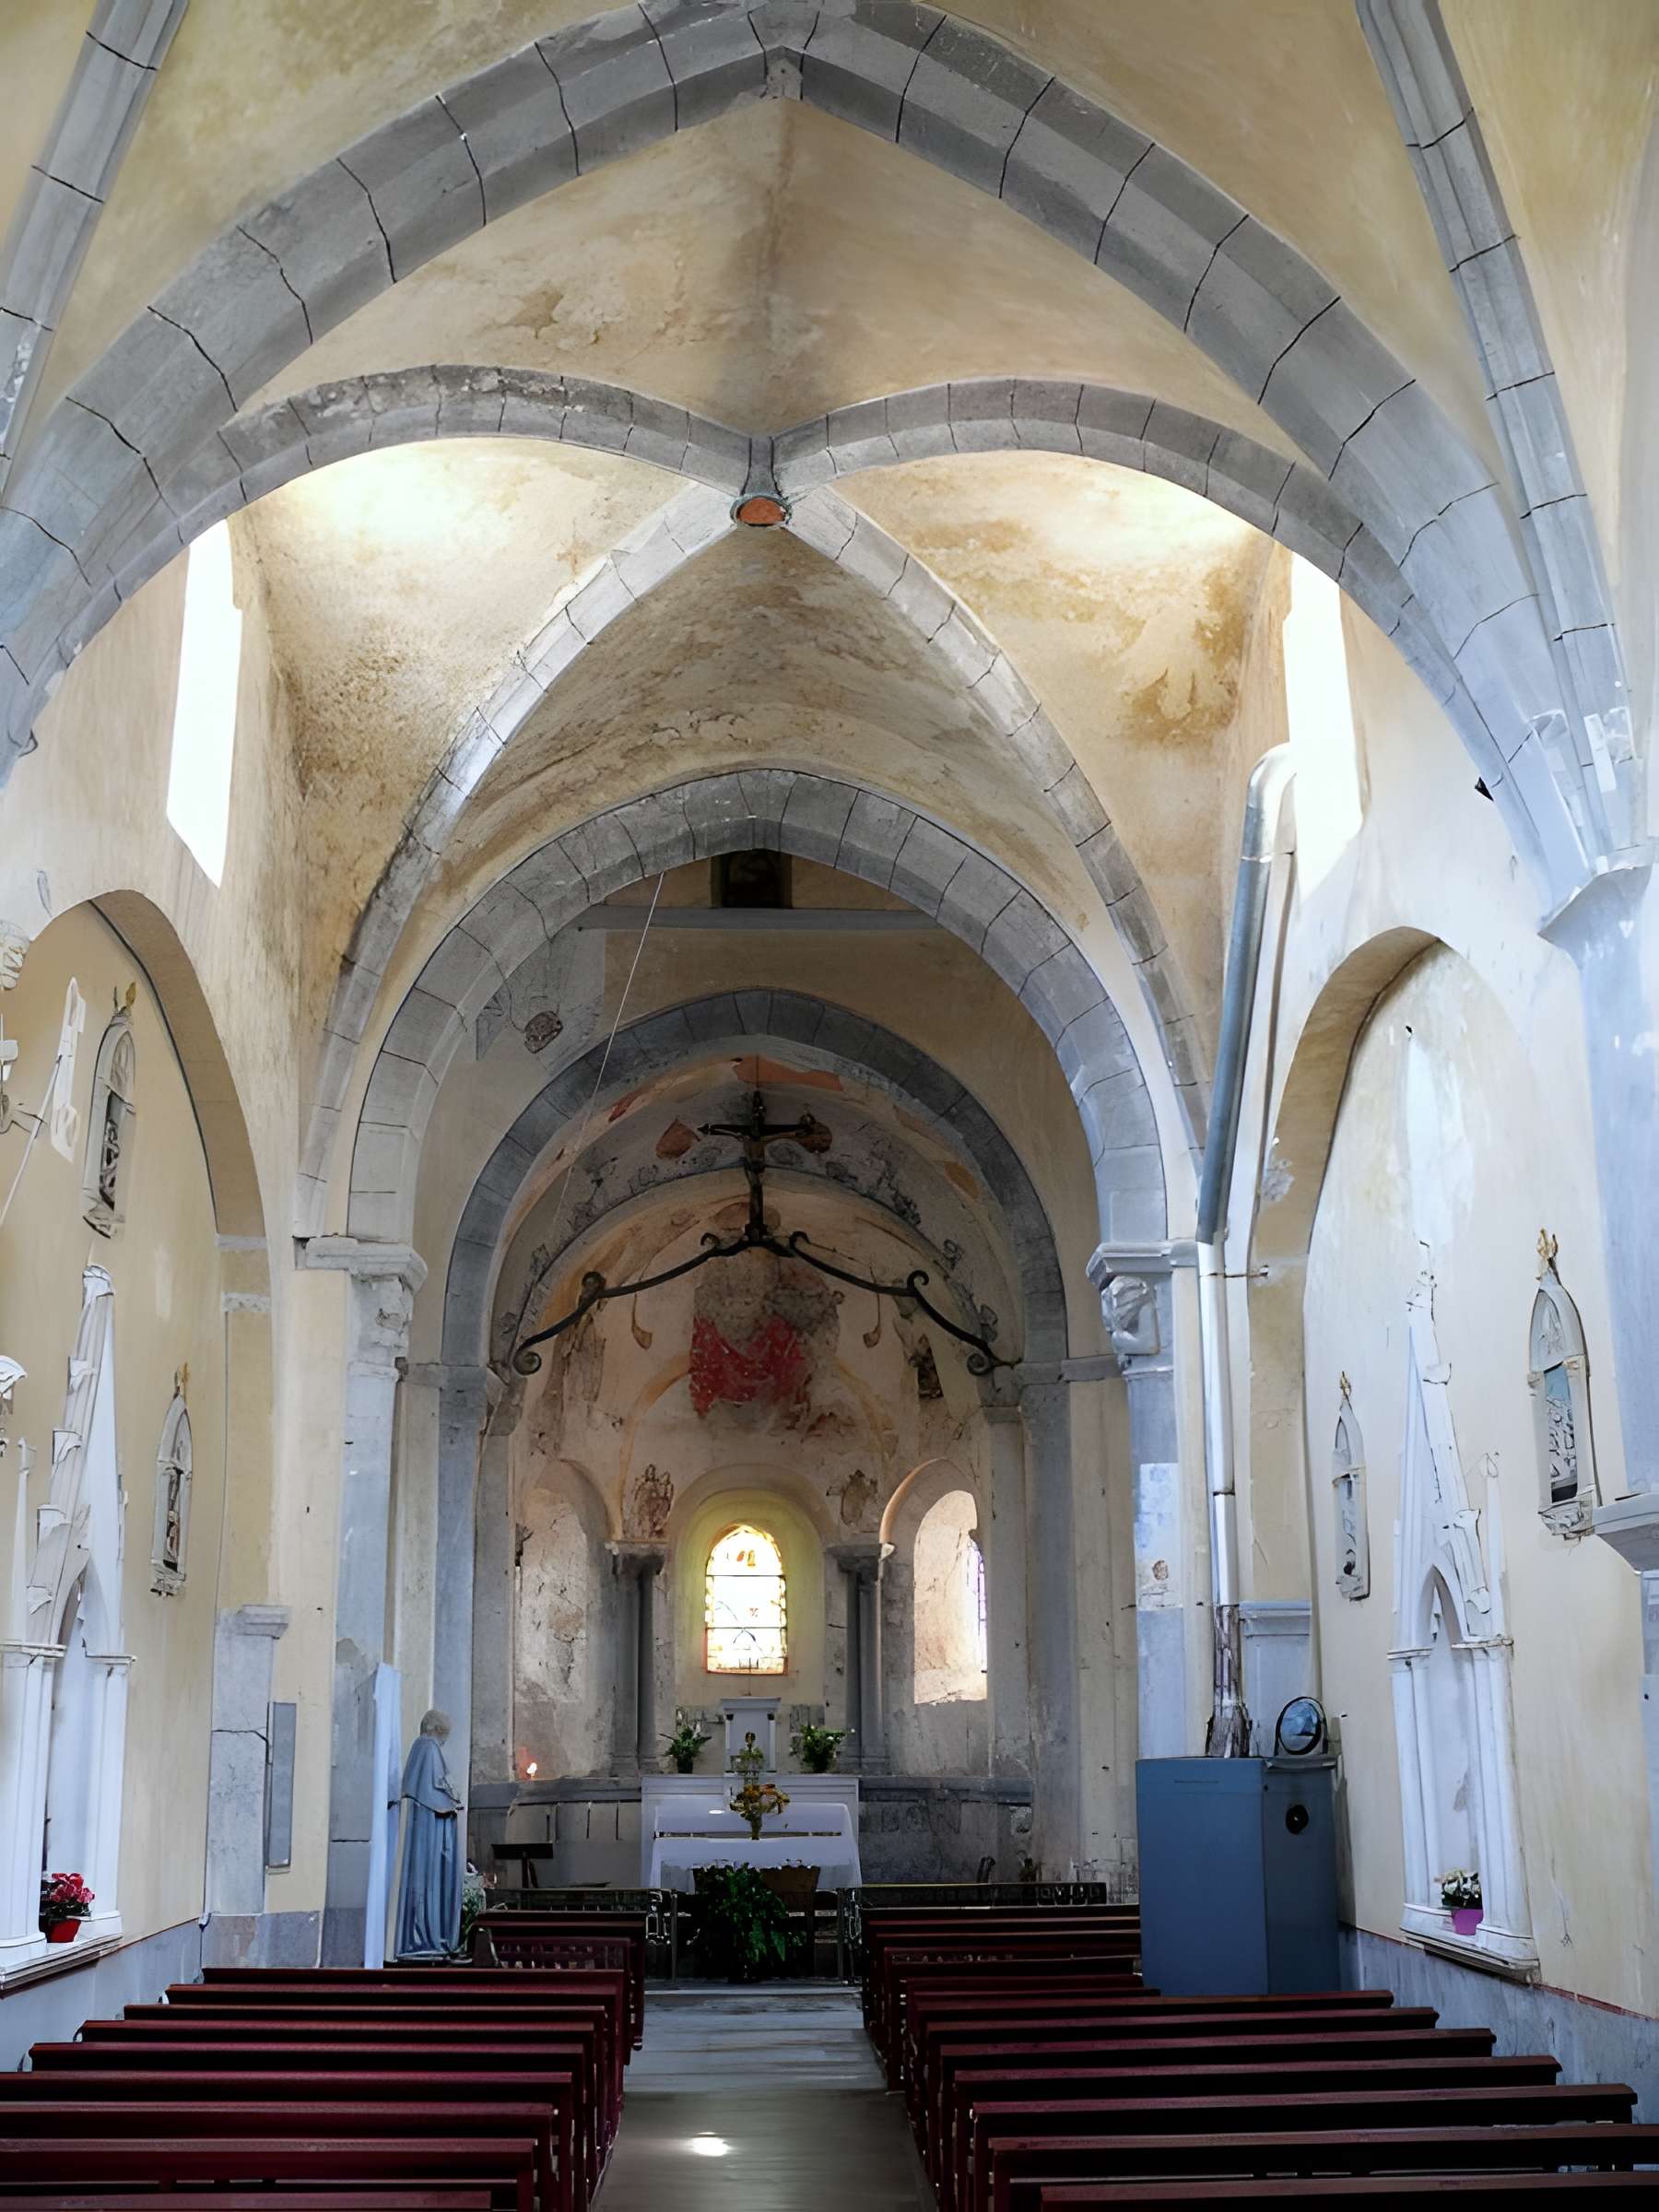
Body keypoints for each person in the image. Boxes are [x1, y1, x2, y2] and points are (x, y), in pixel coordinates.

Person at [394, 1707, 462, 1959]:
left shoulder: (418, 1749)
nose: (446, 1739)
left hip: (424, 1825)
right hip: (428, 1830)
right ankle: (428, 1938)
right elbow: (432, 1794)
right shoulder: (428, 1747)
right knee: (429, 1881)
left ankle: (426, 1935)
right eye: (445, 1733)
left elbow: (429, 1788)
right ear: (438, 1730)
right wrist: (452, 1803)